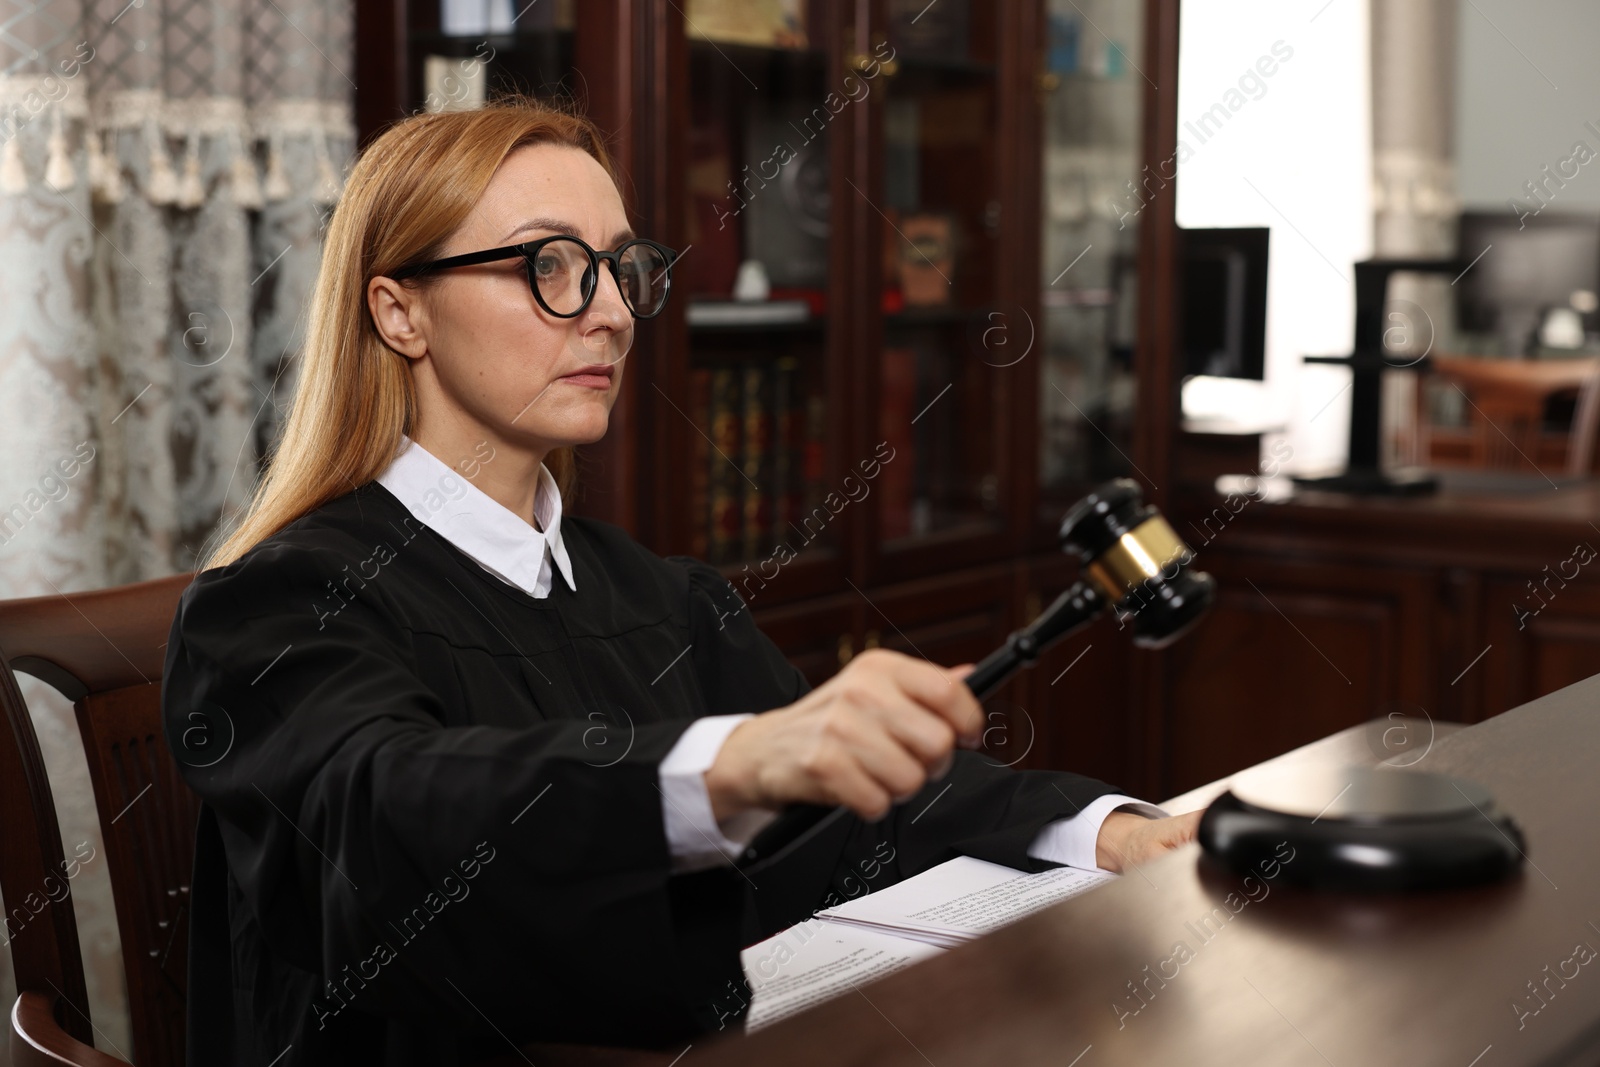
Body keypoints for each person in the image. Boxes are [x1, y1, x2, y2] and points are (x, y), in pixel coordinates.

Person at [160, 96, 1200, 1067]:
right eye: (551, 264)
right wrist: (731, 764)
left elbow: (852, 800)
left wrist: (1104, 828)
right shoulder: (278, 604)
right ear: (401, 313)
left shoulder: (657, 593)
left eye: (620, 266)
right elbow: (385, 826)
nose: (610, 310)